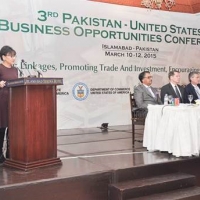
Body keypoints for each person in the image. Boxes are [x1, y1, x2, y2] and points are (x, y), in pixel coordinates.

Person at [0, 46, 18, 164]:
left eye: (14, 56)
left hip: (14, 102)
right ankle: (0, 155)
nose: (13, 58)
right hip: (2, 101)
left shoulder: (16, 70)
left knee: (13, 128)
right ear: (3, 57)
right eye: (11, 56)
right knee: (1, 128)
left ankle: (10, 153)